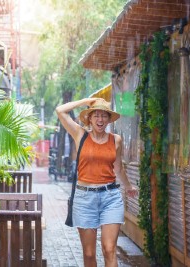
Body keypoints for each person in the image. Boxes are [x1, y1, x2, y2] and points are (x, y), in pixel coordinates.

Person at [56, 97, 137, 267]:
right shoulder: (80, 134)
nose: (100, 120)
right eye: (96, 115)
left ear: (108, 119)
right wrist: (87, 100)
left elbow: (118, 168)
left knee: (109, 249)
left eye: (104, 116)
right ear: (90, 118)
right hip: (84, 199)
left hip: (111, 198)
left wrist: (128, 186)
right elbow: (60, 110)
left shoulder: (116, 140)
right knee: (89, 253)